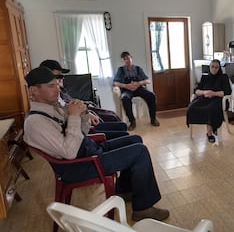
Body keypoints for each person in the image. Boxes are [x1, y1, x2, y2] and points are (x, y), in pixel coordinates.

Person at [23, 66, 169, 222]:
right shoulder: (36, 122)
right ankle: (143, 209)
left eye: (57, 84)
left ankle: (124, 190)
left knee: (135, 139)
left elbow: (82, 133)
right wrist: (73, 117)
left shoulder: (52, 109)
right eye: (51, 86)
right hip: (79, 165)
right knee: (140, 151)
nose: (58, 89)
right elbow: (69, 152)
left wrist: (83, 114)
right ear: (34, 90)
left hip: (87, 150)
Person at [40, 59, 128, 139]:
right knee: (113, 120)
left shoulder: (60, 90)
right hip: (82, 128)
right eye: (58, 76)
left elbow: (69, 102)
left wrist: (86, 109)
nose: (61, 79)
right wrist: (86, 114)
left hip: (83, 117)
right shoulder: (48, 103)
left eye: (62, 76)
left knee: (116, 120)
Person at [186, 59, 232, 143]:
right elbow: (196, 90)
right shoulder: (205, 77)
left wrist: (213, 93)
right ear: (209, 67)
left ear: (219, 68)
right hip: (204, 98)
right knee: (191, 108)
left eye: (216, 67)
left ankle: (209, 133)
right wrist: (204, 92)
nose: (214, 69)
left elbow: (227, 92)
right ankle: (213, 128)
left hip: (218, 99)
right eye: (212, 67)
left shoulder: (223, 77)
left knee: (210, 109)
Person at [113, 52, 160, 131]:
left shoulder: (138, 69)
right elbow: (115, 83)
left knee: (151, 96)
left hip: (138, 88)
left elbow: (147, 80)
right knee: (125, 99)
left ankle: (153, 119)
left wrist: (138, 83)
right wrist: (126, 86)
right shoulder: (120, 70)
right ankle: (132, 121)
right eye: (124, 59)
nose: (127, 60)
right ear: (122, 61)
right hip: (127, 90)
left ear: (131, 58)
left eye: (128, 58)